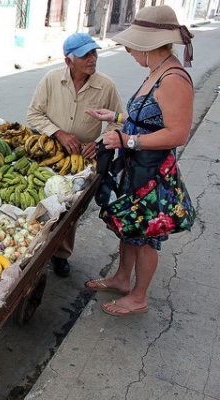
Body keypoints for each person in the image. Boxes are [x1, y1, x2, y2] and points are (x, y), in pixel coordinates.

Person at [84, 5, 194, 316]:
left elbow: (178, 133)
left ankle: (139, 296)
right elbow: (150, 117)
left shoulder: (173, 78)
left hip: (153, 173)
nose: (129, 51)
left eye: (132, 46)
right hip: (137, 168)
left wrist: (128, 140)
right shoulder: (156, 72)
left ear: (148, 44)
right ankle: (121, 278)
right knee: (130, 227)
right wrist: (117, 117)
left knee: (146, 237)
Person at [27, 33, 124, 277]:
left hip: (83, 157)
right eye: (85, 55)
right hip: (50, 152)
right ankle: (34, 247)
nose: (92, 59)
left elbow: (119, 122)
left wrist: (100, 142)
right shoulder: (51, 80)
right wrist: (58, 133)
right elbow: (34, 115)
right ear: (69, 61)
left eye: (94, 53)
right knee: (41, 198)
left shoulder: (106, 85)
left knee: (69, 208)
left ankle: (61, 254)